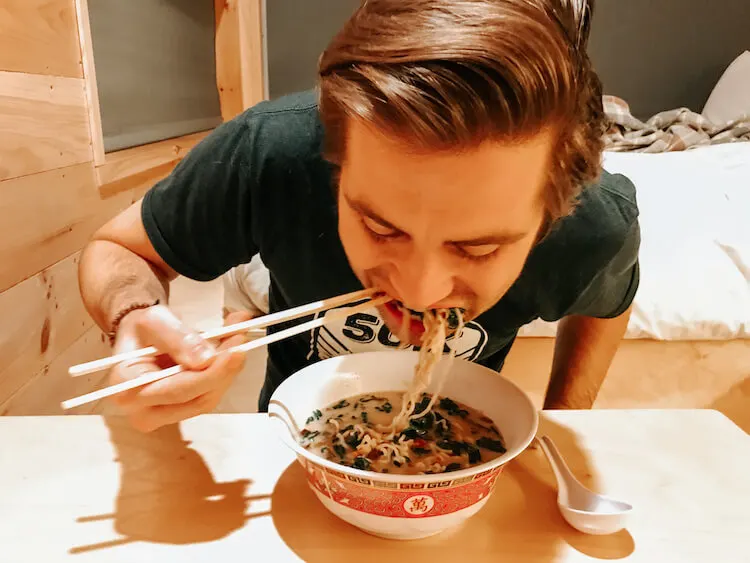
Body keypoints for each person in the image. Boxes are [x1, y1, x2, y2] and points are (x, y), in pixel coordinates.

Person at [78, 0, 640, 433]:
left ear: (550, 217)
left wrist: (569, 417)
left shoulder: (594, 226)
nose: (418, 289)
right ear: (334, 163)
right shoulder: (270, 150)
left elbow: (608, 303)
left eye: (477, 248)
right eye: (380, 227)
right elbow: (121, 248)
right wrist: (132, 314)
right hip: (293, 430)